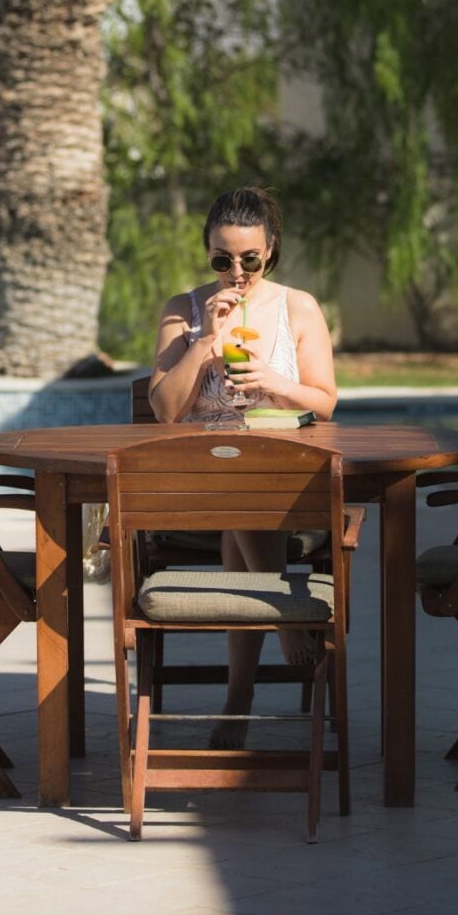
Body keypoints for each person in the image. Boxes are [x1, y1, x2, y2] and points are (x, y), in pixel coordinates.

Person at [149, 186, 337, 746]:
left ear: (270, 249)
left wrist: (273, 383)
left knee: (243, 493)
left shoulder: (297, 306)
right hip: (195, 494)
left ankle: (238, 698)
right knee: (230, 482)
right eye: (222, 259)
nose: (237, 271)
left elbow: (324, 401)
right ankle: (286, 606)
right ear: (207, 252)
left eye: (250, 259)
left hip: (283, 488)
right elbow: (164, 412)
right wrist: (206, 341)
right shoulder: (182, 311)